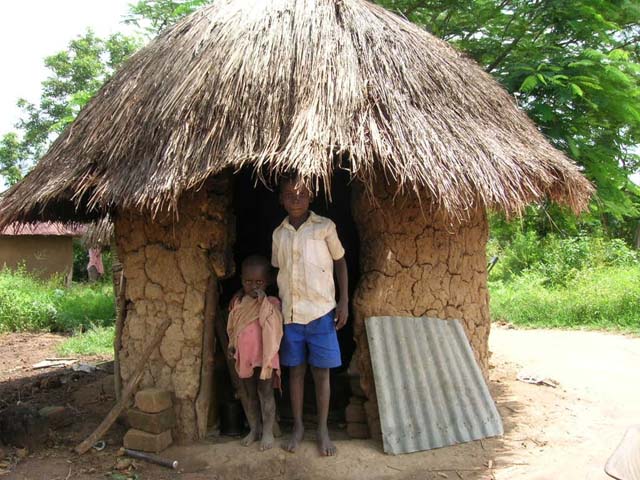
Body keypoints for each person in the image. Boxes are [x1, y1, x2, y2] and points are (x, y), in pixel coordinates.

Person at [272, 176, 348, 457]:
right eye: (289, 194)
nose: (296, 199)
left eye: (302, 194)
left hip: (321, 312)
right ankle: (299, 426)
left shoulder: (324, 227)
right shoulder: (278, 234)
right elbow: (278, 269)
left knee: (321, 372)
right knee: (295, 371)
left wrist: (344, 301)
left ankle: (323, 429)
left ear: (311, 197)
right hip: (291, 314)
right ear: (281, 199)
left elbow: (340, 261)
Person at [227, 255, 283, 450]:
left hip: (265, 359)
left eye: (259, 282)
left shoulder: (273, 303)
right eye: (248, 282)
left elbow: (276, 326)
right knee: (250, 395)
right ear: (241, 281)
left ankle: (267, 432)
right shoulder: (238, 304)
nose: (253, 286)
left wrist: (263, 302)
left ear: (267, 282)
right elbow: (233, 328)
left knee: (265, 393)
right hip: (245, 358)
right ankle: (254, 429)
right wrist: (232, 347)